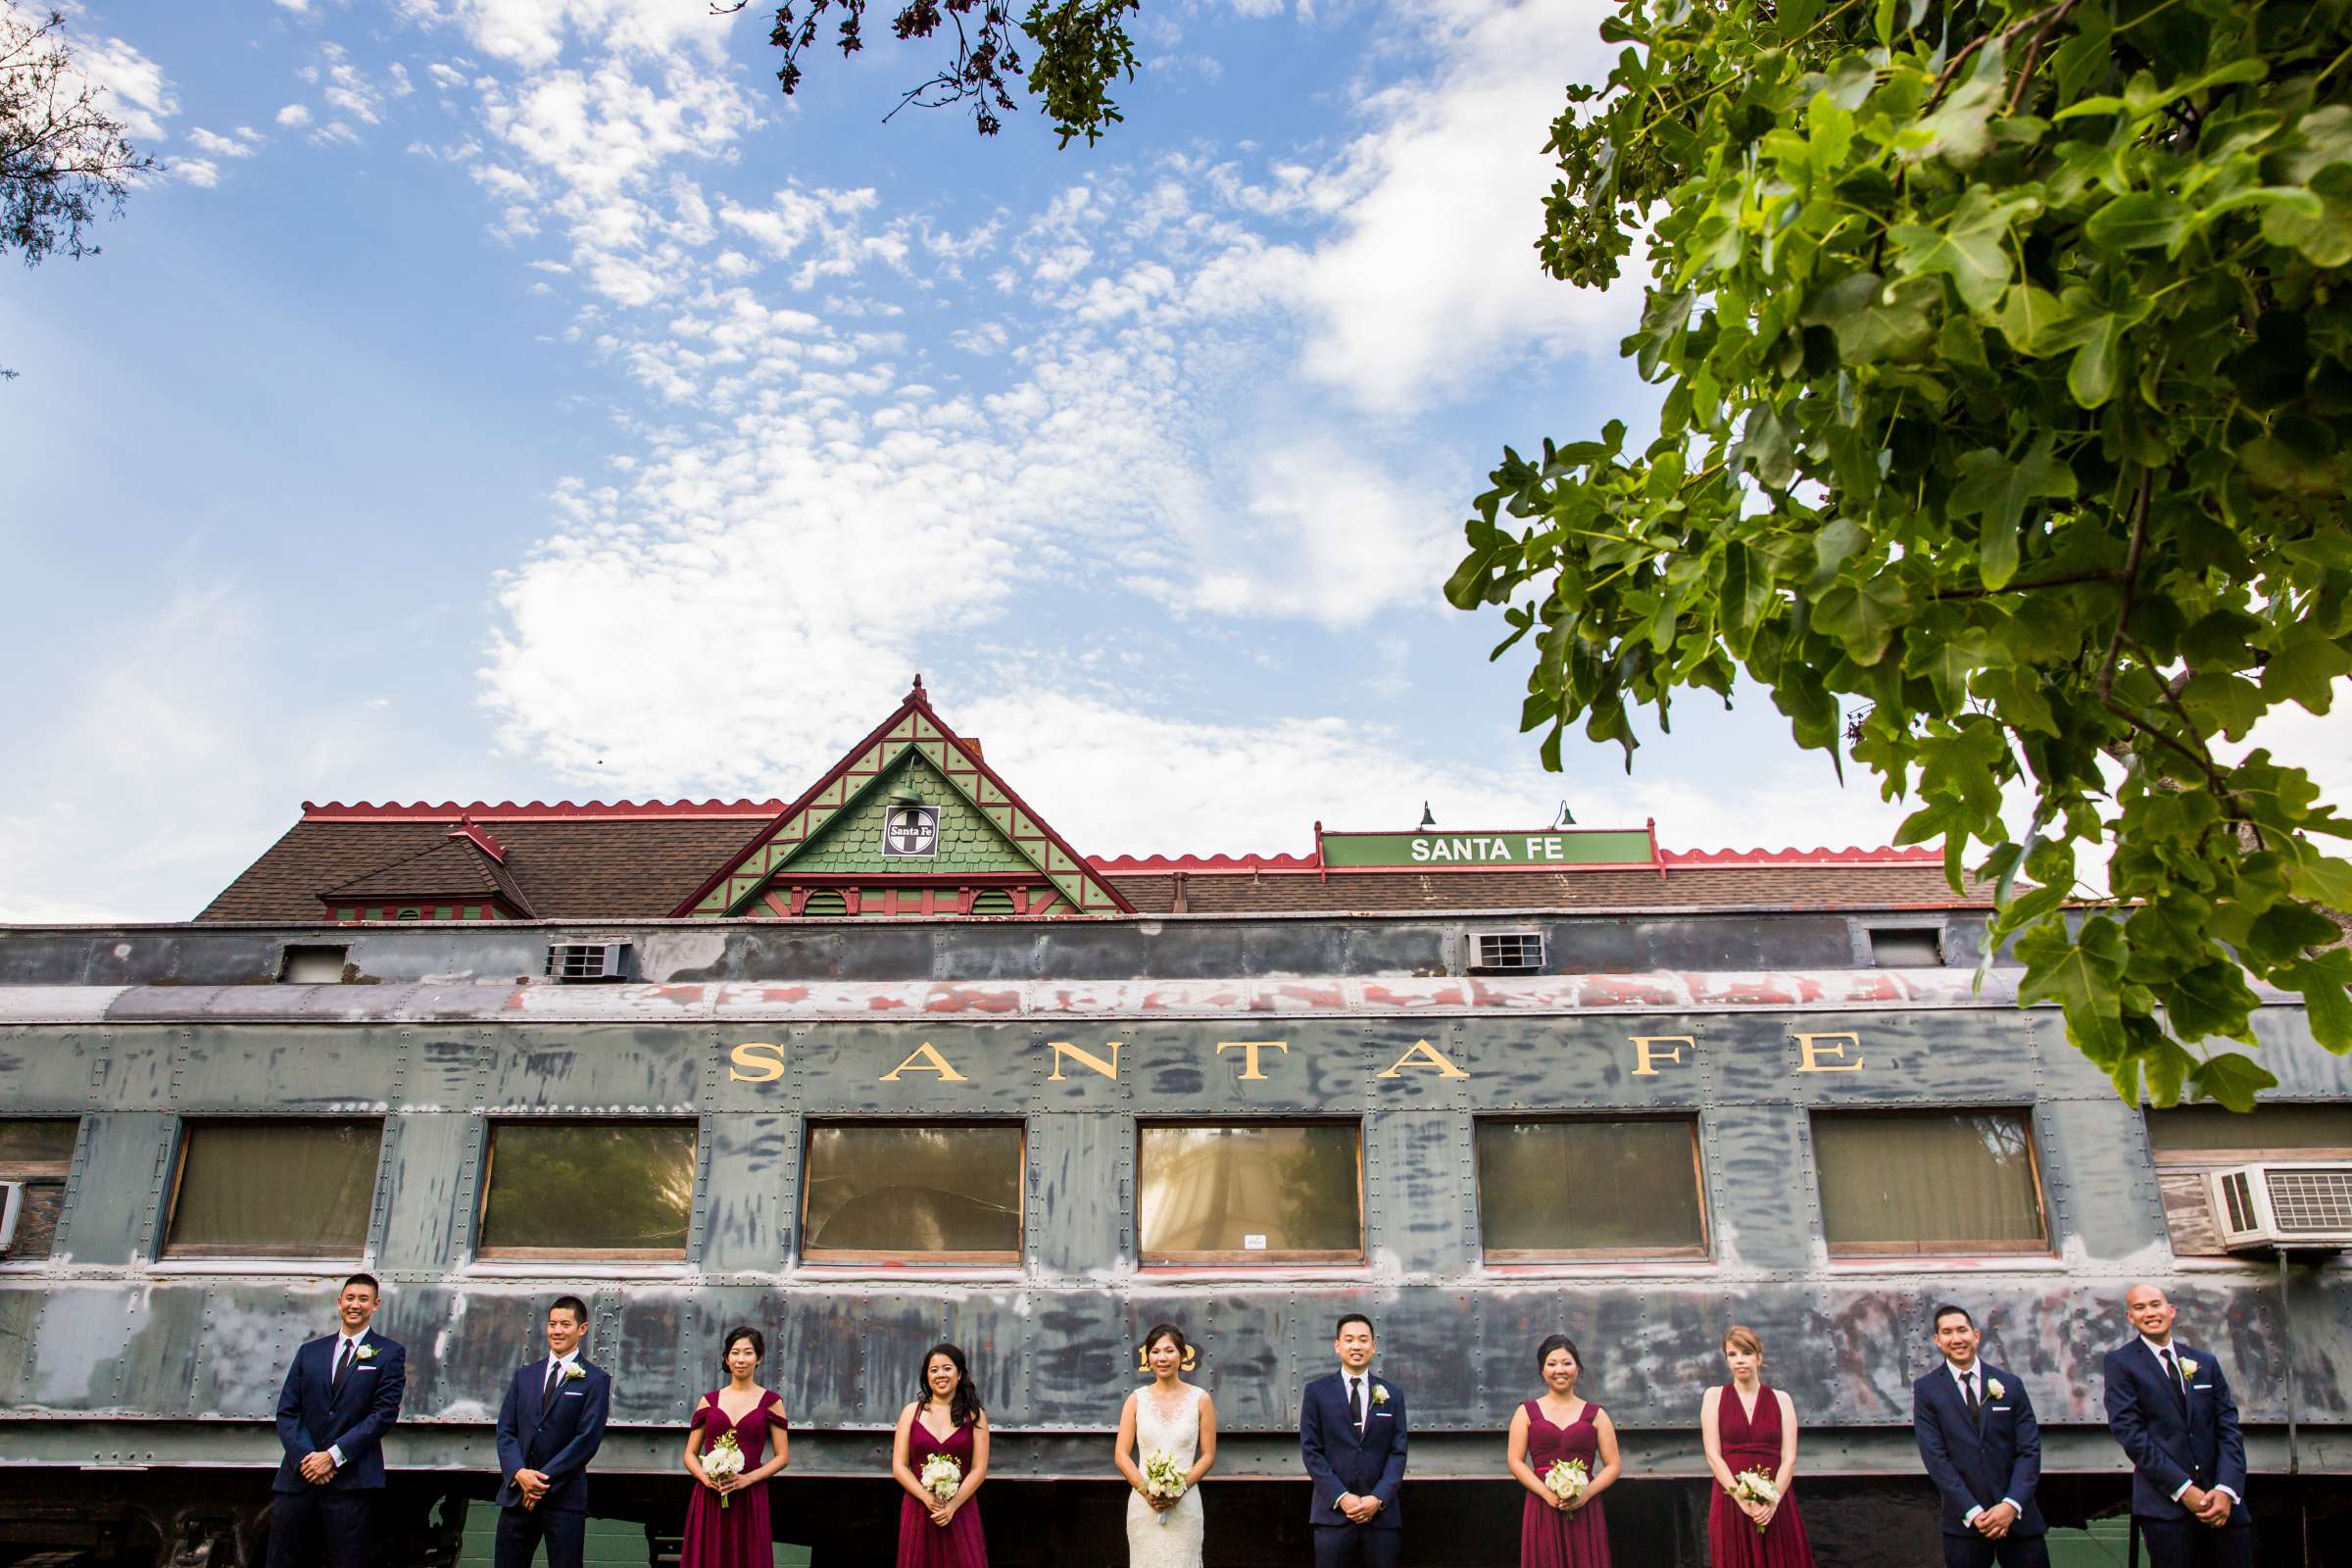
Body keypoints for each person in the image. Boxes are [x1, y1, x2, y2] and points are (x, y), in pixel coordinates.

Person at [2102, 1283, 2252, 1568]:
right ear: (2130, 1318)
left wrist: (2226, 1490)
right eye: (2140, 1307)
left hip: (2224, 1506)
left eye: (2155, 1304)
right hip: (2166, 1509)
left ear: (2171, 1310)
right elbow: (2131, 1435)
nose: (2150, 1312)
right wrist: (2184, 1490)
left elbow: (2228, 1428)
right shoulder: (2120, 1363)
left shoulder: (2204, 1362)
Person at [268, 1273, 408, 1568]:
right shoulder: (310, 1352)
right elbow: (288, 1411)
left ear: (375, 1305)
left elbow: (383, 1414)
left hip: (350, 1481)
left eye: (363, 1299)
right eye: (350, 1298)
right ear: (339, 1302)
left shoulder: (388, 1353)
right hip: (298, 1478)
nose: (355, 1305)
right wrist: (308, 1459)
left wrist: (332, 1457)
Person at [1911, 1304, 2048, 1568]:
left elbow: (2029, 1450)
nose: (1957, 1338)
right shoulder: (1927, 1390)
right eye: (1947, 1332)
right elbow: (1936, 1458)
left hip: (2019, 1518)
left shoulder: (2010, 1385)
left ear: (1975, 1335)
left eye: (1962, 1330)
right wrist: (1974, 1512)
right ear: (1937, 1341)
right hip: (1965, 1523)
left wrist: (2010, 1505)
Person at [493, 1296, 613, 1568]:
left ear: (582, 1329)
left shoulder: (595, 1380)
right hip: (517, 1494)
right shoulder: (525, 1376)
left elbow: (587, 1440)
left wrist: (541, 1482)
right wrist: (520, 1473)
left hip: (563, 1497)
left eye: (565, 1324)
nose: (557, 1330)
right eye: (552, 1324)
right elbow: (506, 1430)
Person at [1298, 1312, 1407, 1568]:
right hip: (1332, 1515)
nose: (1356, 1346)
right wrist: (1342, 1496)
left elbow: (1398, 1452)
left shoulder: (1393, 1394)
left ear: (1373, 1346)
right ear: (1338, 1346)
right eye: (1349, 1340)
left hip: (1381, 1517)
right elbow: (1311, 1451)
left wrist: (1377, 1498)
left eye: (1363, 1340)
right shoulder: (1317, 1392)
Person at [1699, 1325, 1814, 1568]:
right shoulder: (1713, 1397)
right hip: (1731, 1500)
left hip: (1776, 1500)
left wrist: (1772, 1502)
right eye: (1732, 1354)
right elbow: (1712, 1455)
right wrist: (1741, 1498)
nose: (1739, 1360)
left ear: (1759, 1358)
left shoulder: (1782, 1400)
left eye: (1746, 1352)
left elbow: (1789, 1458)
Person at [1505, 1334, 1619, 1568]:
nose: (1560, 1370)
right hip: (1542, 1505)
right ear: (1541, 1370)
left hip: (1585, 1508)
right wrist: (1546, 1494)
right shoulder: (1526, 1412)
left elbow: (1614, 1464)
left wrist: (1586, 1493)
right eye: (1552, 1363)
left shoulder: (1597, 1414)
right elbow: (1515, 1461)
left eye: (1567, 1363)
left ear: (1578, 1368)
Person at [681, 1326, 791, 1568]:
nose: (741, 1359)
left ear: (759, 1358)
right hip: (709, 1495)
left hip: (750, 1496)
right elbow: (689, 1454)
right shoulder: (708, 1401)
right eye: (735, 1352)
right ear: (726, 1358)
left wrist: (748, 1479)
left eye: (748, 1353)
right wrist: (704, 1478)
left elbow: (782, 1456)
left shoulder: (772, 1402)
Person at [1114, 1323, 1217, 1568]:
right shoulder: (1136, 1400)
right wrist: (1146, 1490)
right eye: (1156, 1351)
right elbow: (1121, 1454)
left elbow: (1208, 1455)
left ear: (1182, 1355)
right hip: (1143, 1506)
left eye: (1169, 1351)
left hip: (1185, 1505)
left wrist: (1180, 1489)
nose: (1163, 1358)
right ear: (1148, 1358)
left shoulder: (1200, 1400)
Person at [893, 1342, 989, 1568]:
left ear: (959, 1373)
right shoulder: (910, 1412)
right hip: (919, 1508)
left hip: (960, 1509)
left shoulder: (975, 1415)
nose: (940, 1375)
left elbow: (979, 1469)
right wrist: (927, 1499)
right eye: (933, 1370)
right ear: (926, 1377)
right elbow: (899, 1466)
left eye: (947, 1368)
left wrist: (952, 1506)